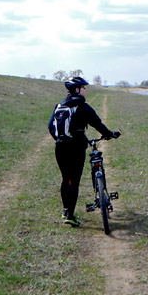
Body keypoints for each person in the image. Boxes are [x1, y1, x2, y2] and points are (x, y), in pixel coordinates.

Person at [48, 76, 120, 227]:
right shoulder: (83, 107)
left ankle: (65, 209)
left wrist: (61, 139)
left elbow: (50, 127)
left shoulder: (59, 105)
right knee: (74, 181)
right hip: (76, 147)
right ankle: (70, 216)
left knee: (65, 179)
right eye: (84, 88)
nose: (86, 90)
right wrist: (109, 134)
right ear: (77, 89)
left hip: (60, 147)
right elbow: (97, 124)